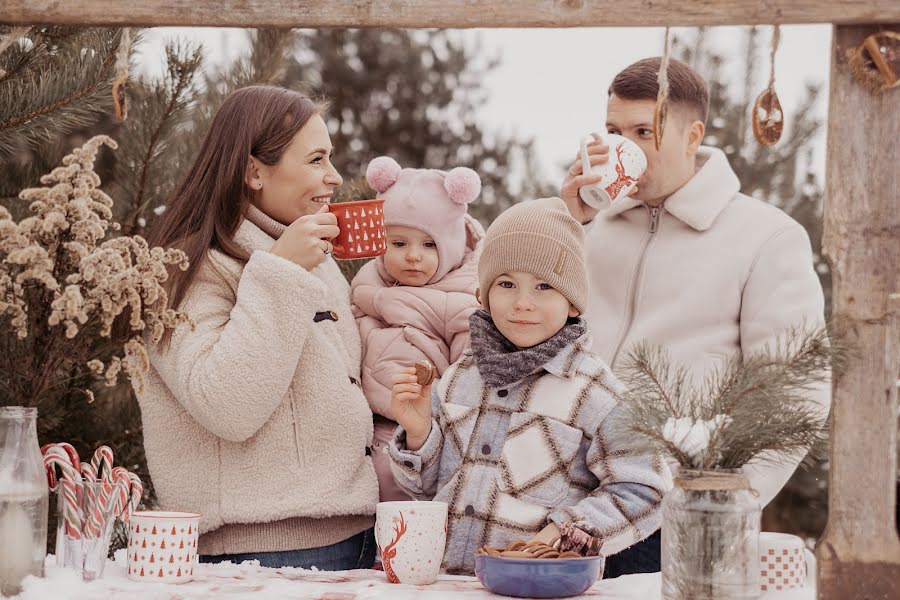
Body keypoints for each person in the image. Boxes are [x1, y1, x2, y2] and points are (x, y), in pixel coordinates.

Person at [559, 57, 829, 577]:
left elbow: (795, 393)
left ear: (693, 134)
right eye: (615, 131)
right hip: (567, 504)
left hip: (675, 514)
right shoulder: (586, 228)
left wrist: (725, 503)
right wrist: (566, 224)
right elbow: (524, 329)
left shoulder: (767, 237)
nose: (627, 146)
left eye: (645, 131)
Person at [137, 86, 378, 570]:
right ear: (253, 171)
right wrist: (280, 273)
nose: (333, 176)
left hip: (355, 532)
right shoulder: (183, 269)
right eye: (315, 159)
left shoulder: (305, 254)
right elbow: (225, 404)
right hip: (260, 551)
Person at [386, 197, 671, 575]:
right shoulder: (456, 380)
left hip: (541, 586)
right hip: (450, 584)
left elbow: (644, 489)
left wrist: (565, 532)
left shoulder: (598, 394)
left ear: (572, 303)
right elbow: (424, 491)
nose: (522, 303)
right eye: (506, 284)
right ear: (483, 294)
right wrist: (420, 432)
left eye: (543, 287)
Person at [351, 155, 483, 504]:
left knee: (399, 492)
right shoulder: (366, 288)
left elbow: (468, 373)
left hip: (422, 425)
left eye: (428, 245)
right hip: (361, 421)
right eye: (398, 244)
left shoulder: (461, 297)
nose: (412, 256)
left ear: (451, 245)